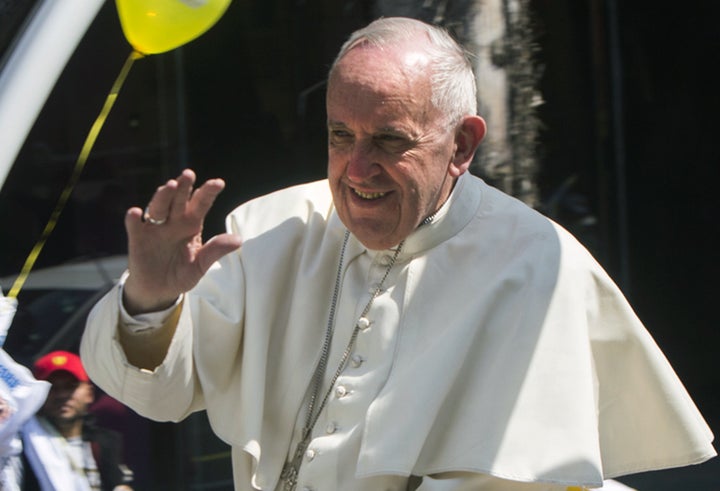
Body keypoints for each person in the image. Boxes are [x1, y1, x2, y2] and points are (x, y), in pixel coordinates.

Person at [80, 16, 715, 491]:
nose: (358, 169)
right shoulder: (268, 228)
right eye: (339, 135)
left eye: (388, 140)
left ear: (461, 145)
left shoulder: (538, 267)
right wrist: (152, 302)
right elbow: (159, 398)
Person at [18, 351, 133, 491]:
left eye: (70, 386)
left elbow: (119, 485)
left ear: (89, 393)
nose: (62, 395)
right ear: (38, 395)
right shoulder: (23, 445)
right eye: (52, 387)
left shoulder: (105, 442)